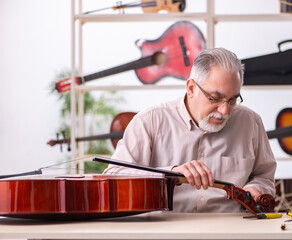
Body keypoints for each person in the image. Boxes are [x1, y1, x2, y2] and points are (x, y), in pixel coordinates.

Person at [104, 47, 276, 213]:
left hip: (233, 231)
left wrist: (256, 187)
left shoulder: (251, 122)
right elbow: (114, 177)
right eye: (215, 98)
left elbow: (264, 176)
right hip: (165, 232)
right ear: (191, 88)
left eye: (232, 100)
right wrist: (169, 174)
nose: (224, 111)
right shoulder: (150, 121)